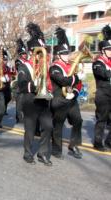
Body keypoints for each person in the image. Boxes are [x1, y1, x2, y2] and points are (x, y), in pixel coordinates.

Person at [18, 23, 53, 166]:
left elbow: (50, 83)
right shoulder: (24, 66)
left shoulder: (44, 66)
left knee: (48, 126)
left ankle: (42, 153)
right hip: (29, 100)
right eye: (39, 52)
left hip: (43, 100)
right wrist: (34, 85)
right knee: (30, 129)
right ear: (33, 52)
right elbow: (21, 85)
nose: (41, 54)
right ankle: (27, 153)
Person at [49, 27, 83, 159]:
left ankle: (74, 145)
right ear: (58, 55)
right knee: (58, 125)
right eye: (64, 54)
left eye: (67, 53)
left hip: (71, 99)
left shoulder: (71, 65)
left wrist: (74, 92)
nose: (67, 56)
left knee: (78, 120)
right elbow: (62, 80)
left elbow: (77, 85)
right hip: (59, 99)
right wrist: (77, 77)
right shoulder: (54, 67)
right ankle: (56, 149)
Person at [92, 24, 111, 151]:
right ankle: (98, 142)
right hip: (103, 94)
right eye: (109, 49)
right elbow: (103, 74)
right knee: (102, 119)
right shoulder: (98, 63)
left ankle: (109, 141)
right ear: (103, 50)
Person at [14, 38, 28, 123]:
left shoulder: (27, 61)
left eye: (25, 54)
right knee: (19, 102)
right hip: (19, 83)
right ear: (20, 54)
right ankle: (18, 117)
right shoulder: (18, 61)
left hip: (26, 83)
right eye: (23, 54)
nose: (25, 55)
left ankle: (23, 116)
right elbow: (20, 69)